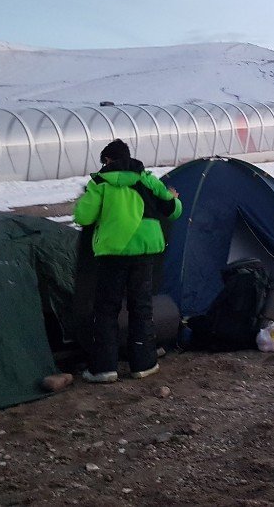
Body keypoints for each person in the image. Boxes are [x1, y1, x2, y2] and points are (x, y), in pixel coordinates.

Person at [74, 139, 182, 383]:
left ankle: (104, 369)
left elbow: (83, 216)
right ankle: (143, 365)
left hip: (114, 252)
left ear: (108, 160)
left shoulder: (101, 183)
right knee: (141, 307)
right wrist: (174, 197)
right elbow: (174, 210)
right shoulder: (148, 179)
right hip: (145, 252)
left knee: (106, 310)